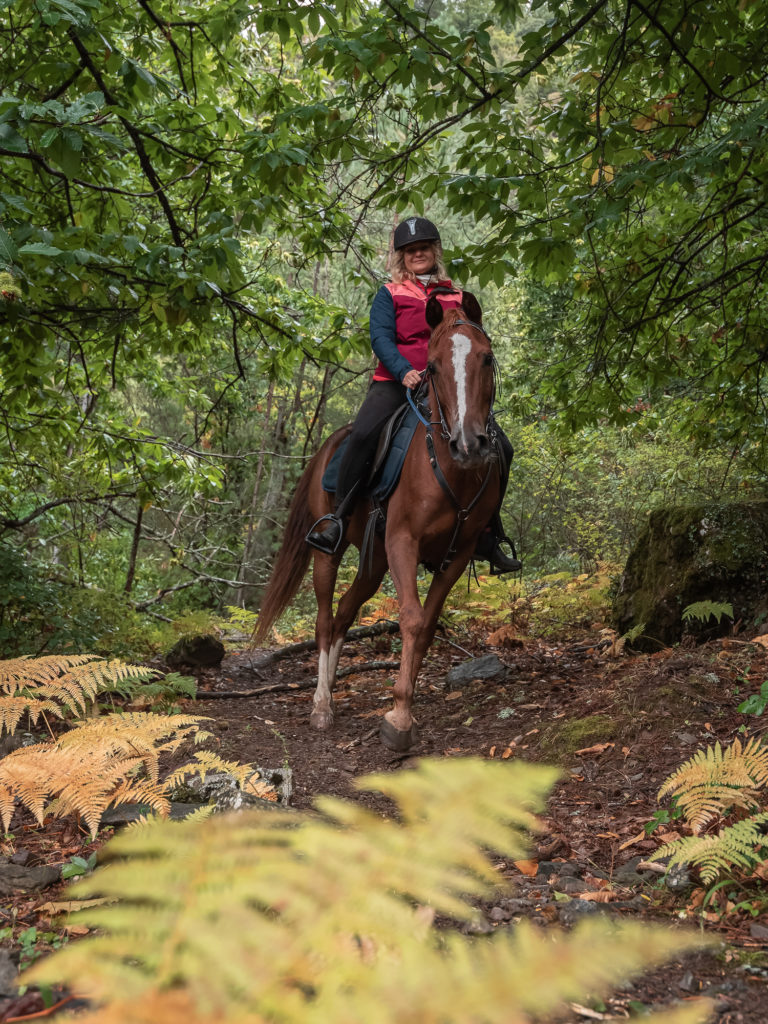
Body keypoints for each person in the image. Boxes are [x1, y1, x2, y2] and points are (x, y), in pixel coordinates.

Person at [306, 216, 521, 574]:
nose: (417, 254)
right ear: (401, 258)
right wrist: (404, 370)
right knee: (362, 435)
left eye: (423, 248)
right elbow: (381, 339)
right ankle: (337, 519)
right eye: (409, 250)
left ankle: (488, 532)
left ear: (434, 252)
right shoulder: (389, 294)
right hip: (397, 382)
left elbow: (472, 342)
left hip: (448, 388)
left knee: (503, 447)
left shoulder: (459, 297)